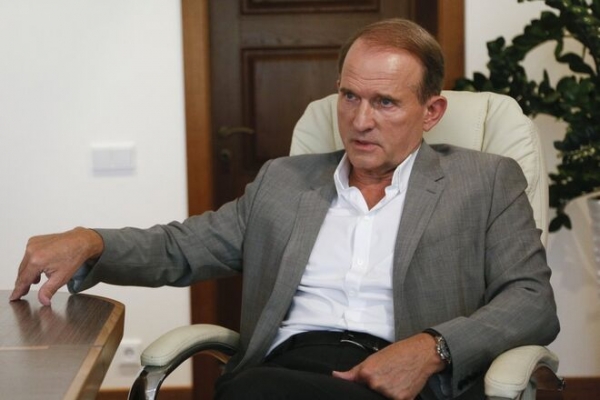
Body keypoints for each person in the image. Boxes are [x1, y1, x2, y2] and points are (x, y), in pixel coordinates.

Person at [11, 18, 559, 400]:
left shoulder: (484, 180)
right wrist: (92, 240)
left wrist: (432, 349)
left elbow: (532, 301)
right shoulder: (284, 181)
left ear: (431, 111)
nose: (360, 120)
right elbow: (182, 246)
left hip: (407, 381)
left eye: (385, 102)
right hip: (286, 369)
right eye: (349, 96)